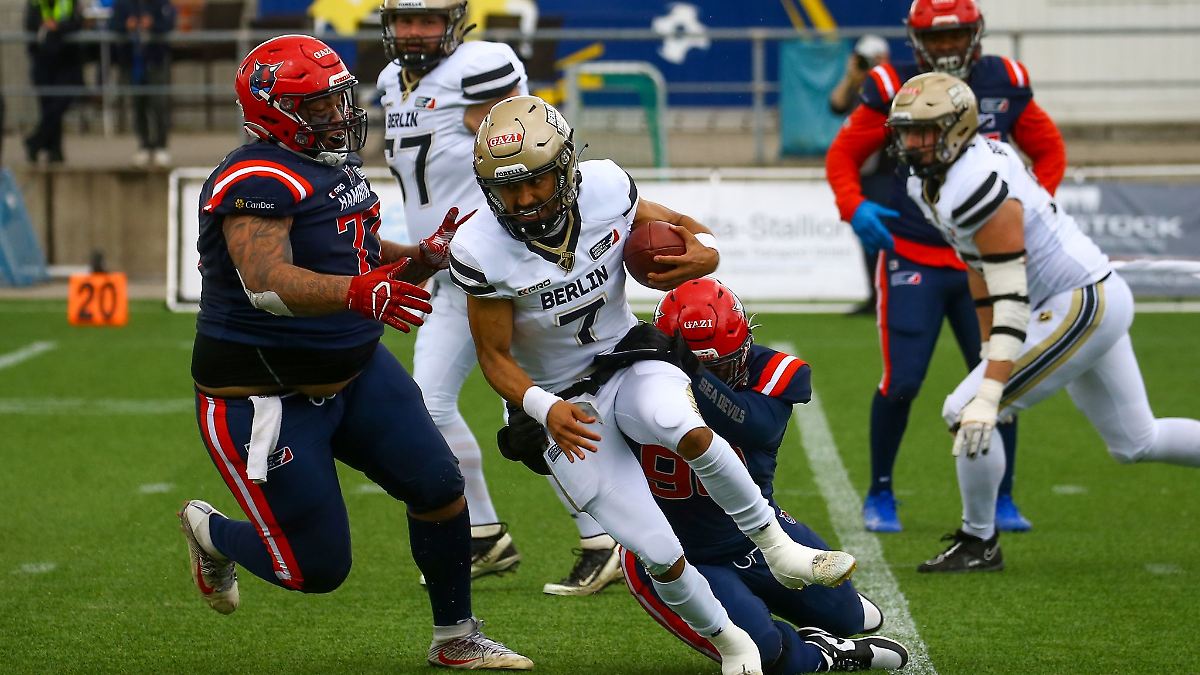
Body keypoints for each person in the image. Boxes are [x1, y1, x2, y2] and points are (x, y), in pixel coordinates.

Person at [454, 94, 858, 675]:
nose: (520, 201)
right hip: (562, 404)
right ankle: (733, 644)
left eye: (536, 183)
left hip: (627, 358)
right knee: (659, 551)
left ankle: (781, 549)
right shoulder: (480, 247)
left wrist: (705, 255)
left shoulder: (605, 188)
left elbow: (692, 232)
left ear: (565, 168)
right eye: (507, 188)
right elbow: (493, 356)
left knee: (682, 426)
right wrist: (544, 409)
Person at [180, 35, 532, 670]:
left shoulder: (331, 166)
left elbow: (356, 251)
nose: (340, 115)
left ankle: (454, 637)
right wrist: (361, 293)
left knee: (440, 487)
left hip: (356, 370)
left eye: (340, 99)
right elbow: (267, 281)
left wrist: (419, 258)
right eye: (319, 106)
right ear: (274, 110)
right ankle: (213, 533)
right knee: (315, 569)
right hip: (265, 395)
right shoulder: (254, 177)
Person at [887, 71, 1200, 572]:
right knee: (1136, 442)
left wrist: (990, 393)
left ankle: (978, 541)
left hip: (1078, 300)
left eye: (924, 130)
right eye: (906, 130)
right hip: (1083, 296)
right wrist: (991, 351)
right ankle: (979, 539)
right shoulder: (933, 179)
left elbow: (1010, 294)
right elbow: (978, 267)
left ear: (957, 129)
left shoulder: (974, 183)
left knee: (964, 409)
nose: (912, 142)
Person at [378, 0, 624, 596]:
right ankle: (486, 533)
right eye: (404, 19)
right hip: (444, 268)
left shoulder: (481, 66)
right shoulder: (390, 82)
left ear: (456, 19)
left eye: (427, 19)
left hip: (497, 266)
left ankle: (605, 537)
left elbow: (521, 139)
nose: (414, 31)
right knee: (429, 405)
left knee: (535, 410)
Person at [825, 0, 1064, 533]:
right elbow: (842, 155)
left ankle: (1002, 495)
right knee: (904, 378)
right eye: (938, 38)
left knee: (998, 375)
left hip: (982, 257)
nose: (949, 47)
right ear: (916, 40)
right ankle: (880, 491)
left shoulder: (1005, 81)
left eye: (957, 36)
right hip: (916, 254)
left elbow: (1049, 151)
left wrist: (1029, 209)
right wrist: (854, 205)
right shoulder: (891, 83)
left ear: (975, 33)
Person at [620, 277, 910, 673]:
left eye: (722, 365)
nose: (718, 375)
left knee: (851, 616)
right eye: (703, 366)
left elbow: (752, 425)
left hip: (756, 532)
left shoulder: (774, 370)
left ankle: (835, 626)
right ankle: (826, 654)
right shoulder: (631, 380)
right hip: (677, 557)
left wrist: (689, 367)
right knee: (763, 655)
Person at [827, 34, 890, 316]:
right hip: (861, 172)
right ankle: (874, 295)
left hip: (886, 172)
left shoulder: (890, 90)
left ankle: (890, 294)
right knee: (867, 236)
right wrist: (852, 76)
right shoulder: (861, 88)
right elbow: (836, 104)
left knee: (887, 235)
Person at [110, 0, 176, 167]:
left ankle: (161, 145)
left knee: (158, 103)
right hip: (133, 62)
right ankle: (144, 145)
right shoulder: (124, 4)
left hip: (156, 60)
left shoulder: (159, 3)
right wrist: (126, 25)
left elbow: (169, 23)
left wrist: (153, 24)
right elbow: (113, 24)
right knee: (138, 104)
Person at [24, 0, 83, 164]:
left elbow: (78, 22)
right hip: (43, 59)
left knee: (61, 101)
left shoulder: (69, 2)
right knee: (48, 105)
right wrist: (44, 25)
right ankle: (54, 150)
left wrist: (58, 26)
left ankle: (36, 141)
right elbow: (30, 23)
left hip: (66, 59)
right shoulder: (35, 2)